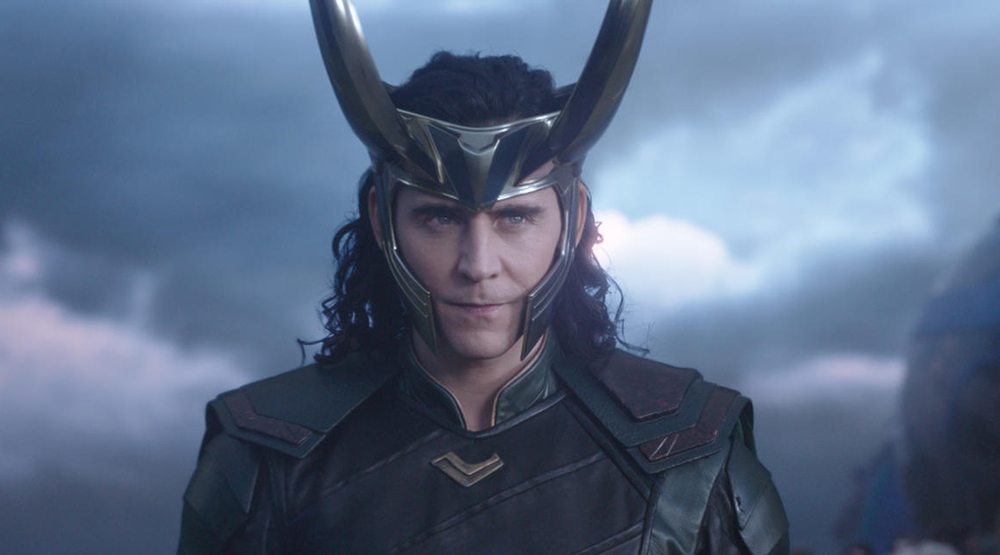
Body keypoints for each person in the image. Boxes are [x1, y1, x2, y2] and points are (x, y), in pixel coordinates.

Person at [176, 0, 790, 553]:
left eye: (515, 217)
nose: (478, 265)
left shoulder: (687, 451)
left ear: (574, 220)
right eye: (440, 217)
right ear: (382, 218)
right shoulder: (266, 452)